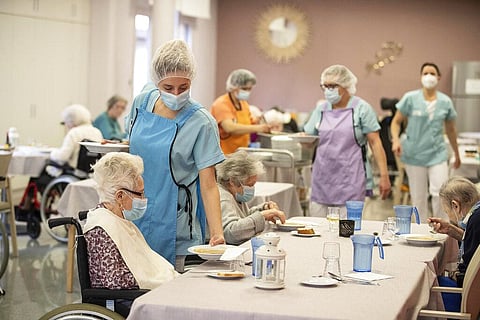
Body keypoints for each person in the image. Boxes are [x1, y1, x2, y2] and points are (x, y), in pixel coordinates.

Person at [125, 39, 225, 271]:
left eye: (184, 87)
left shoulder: (201, 123)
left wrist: (217, 233)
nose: (177, 94)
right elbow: (131, 147)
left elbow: (209, 185)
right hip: (135, 211)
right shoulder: (142, 103)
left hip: (176, 220)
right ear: (157, 81)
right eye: (168, 88)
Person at [303, 65, 391, 217]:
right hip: (322, 179)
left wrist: (384, 176)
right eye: (325, 86)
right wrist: (301, 138)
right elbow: (309, 138)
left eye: (332, 86)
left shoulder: (361, 108)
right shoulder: (321, 109)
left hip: (351, 179)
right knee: (319, 230)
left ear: (346, 85)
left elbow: (375, 143)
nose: (328, 90)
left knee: (347, 231)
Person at [84, 152, 178, 290]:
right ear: (120, 196)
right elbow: (114, 281)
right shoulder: (102, 229)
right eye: (140, 193)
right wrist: (157, 280)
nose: (143, 199)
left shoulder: (118, 219)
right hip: (130, 300)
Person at [391, 62, 461, 221]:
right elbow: (395, 122)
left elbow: (451, 130)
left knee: (441, 194)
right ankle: (421, 230)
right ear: (421, 77)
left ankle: (442, 230)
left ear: (438, 77)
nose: (429, 76)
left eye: (432, 73)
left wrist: (457, 154)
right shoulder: (410, 98)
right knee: (418, 196)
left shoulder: (445, 102)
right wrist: (395, 140)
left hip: (437, 154)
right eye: (425, 73)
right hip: (414, 155)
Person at [427, 176, 480, 311]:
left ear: (455, 205)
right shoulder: (476, 216)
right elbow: (474, 244)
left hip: (472, 296)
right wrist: (451, 230)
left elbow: (471, 272)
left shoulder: (476, 222)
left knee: (426, 288)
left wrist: (453, 275)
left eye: (447, 211)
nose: (449, 216)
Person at [215, 151, 286, 245]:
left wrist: (263, 209)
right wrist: (262, 215)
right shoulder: (223, 197)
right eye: (250, 185)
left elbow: (243, 217)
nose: (252, 189)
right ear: (232, 181)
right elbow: (231, 233)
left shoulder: (234, 193)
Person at [210, 69, 272, 154]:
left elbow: (246, 124)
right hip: (224, 155)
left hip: (240, 153)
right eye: (244, 88)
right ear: (233, 87)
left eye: (249, 89)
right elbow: (230, 128)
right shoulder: (221, 104)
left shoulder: (243, 104)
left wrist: (256, 120)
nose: (247, 92)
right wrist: (259, 128)